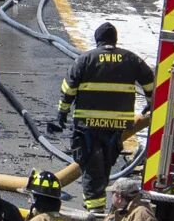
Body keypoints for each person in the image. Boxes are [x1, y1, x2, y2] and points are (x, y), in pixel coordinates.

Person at [49, 21, 154, 208]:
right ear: (115, 40)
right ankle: (100, 206)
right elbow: (150, 83)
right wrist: (150, 104)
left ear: (97, 40)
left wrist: (62, 114)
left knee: (91, 169)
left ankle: (94, 212)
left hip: (88, 126)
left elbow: (68, 90)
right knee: (104, 167)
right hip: (116, 128)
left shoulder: (85, 59)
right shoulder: (131, 59)